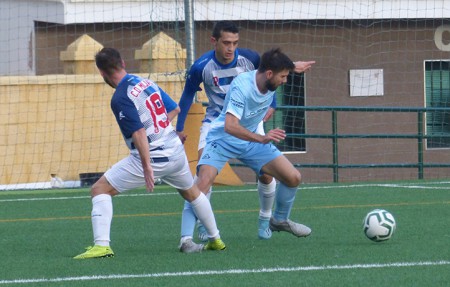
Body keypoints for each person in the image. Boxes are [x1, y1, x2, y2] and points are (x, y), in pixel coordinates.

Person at [74, 48, 225, 259]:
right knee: (192, 192)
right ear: (123, 62)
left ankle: (101, 246)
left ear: (101, 73)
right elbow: (174, 109)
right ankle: (215, 239)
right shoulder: (144, 82)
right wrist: (162, 128)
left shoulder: (120, 97)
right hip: (175, 149)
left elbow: (139, 132)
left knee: (100, 189)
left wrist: (147, 167)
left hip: (154, 156)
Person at [176, 21, 314, 252]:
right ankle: (186, 240)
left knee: (293, 177)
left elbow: (273, 64)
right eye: (283, 77)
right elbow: (230, 126)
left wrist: (292, 66)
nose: (231, 48)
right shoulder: (238, 84)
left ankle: (276, 220)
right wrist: (260, 138)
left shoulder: (257, 66)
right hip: (222, 138)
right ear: (215, 42)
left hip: (250, 134)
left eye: (235, 43)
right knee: (202, 182)